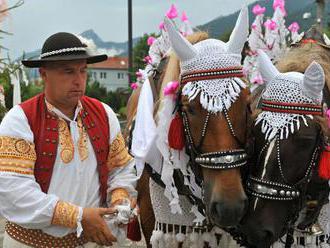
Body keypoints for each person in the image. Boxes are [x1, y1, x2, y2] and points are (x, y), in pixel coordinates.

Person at [0, 32, 138, 247]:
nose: (78, 80)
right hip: (32, 244)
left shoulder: (104, 113)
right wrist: (78, 217)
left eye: (83, 71)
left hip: (95, 241)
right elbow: (14, 193)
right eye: (68, 71)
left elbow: (120, 169)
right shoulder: (20, 120)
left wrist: (120, 199)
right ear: (43, 74)